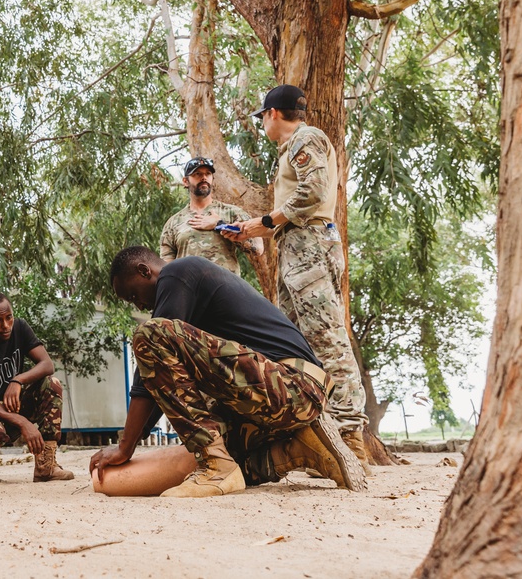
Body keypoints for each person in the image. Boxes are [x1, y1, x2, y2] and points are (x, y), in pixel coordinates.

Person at [89, 247, 367, 498]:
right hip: (285, 398)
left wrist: (125, 446)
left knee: (148, 335)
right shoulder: (190, 315)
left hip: (293, 386)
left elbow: (146, 375)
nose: (138, 305)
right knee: (223, 453)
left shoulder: (178, 272)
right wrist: (132, 441)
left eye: (133, 295)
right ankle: (297, 450)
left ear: (144, 270)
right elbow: (159, 382)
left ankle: (216, 467)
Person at [228, 84, 371, 475]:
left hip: (309, 244)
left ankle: (351, 438)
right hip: (294, 246)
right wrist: (256, 229)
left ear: (273, 114)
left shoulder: (306, 138)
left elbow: (314, 192)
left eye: (263, 118)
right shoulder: (293, 148)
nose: (263, 125)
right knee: (290, 340)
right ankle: (316, 435)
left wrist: (269, 221)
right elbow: (294, 205)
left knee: (327, 339)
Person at [0, 293, 74, 485]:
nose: (6, 325)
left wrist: (17, 380)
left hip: (13, 405)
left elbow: (47, 364)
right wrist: (22, 422)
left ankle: (46, 465)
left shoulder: (20, 328)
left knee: (52, 383)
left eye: (8, 317)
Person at [159, 156, 263, 275]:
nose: (204, 177)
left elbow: (257, 248)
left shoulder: (232, 213)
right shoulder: (173, 222)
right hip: (190, 290)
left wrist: (220, 225)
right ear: (185, 181)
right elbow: (166, 268)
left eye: (208, 174)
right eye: (197, 174)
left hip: (226, 288)